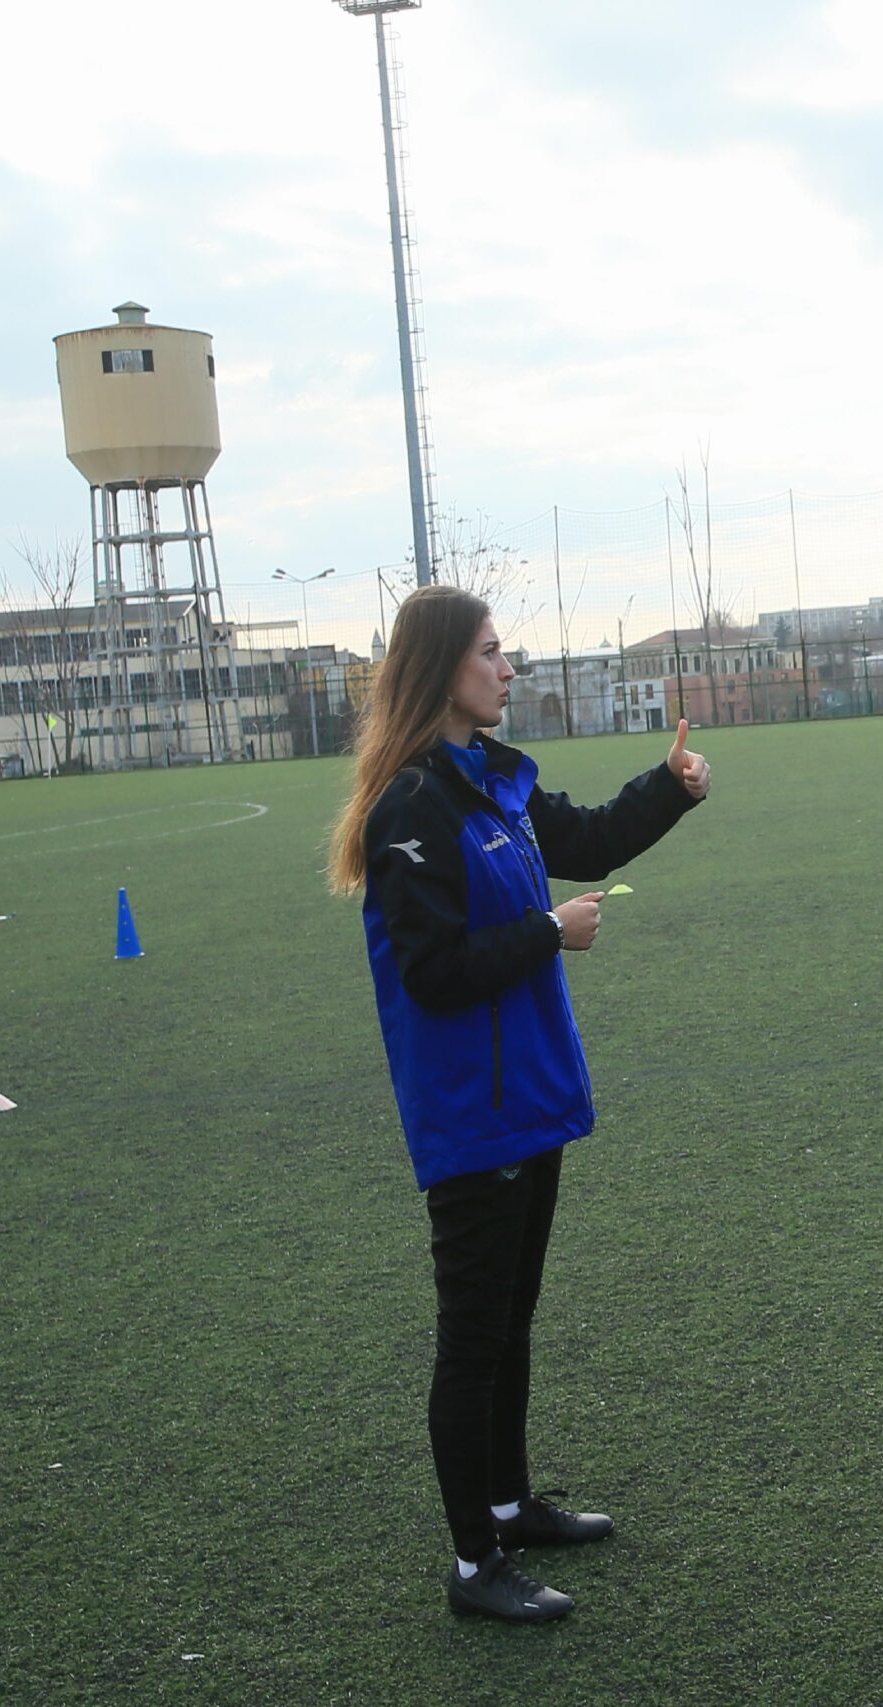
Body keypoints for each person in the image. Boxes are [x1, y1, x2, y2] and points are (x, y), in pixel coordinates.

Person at [328, 585, 709, 1623]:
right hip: (470, 1112)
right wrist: (548, 933)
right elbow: (433, 972)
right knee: (473, 1334)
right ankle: (470, 1566)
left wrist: (670, 789)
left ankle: (508, 1503)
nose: (509, 670)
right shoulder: (411, 808)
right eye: (494, 653)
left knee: (512, 1323)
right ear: (443, 666)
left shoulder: (492, 781)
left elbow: (581, 839)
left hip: (529, 1100)